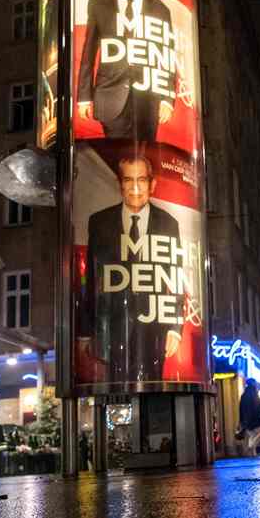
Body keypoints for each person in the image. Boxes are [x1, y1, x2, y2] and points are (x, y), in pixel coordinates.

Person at [86, 155, 183, 385]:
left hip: (154, 329)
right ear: (120, 184)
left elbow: (176, 277)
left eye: (141, 179)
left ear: (152, 184)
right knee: (113, 390)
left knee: (154, 390)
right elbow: (91, 279)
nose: (136, 188)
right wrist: (86, 330)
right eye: (129, 180)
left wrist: (175, 327)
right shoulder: (99, 222)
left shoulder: (169, 224)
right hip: (112, 328)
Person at [77, 0, 175, 141]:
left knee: (146, 157)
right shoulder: (98, 3)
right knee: (116, 159)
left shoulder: (161, 9)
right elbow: (88, 52)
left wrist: (167, 98)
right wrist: (84, 97)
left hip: (148, 99)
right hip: (110, 96)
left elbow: (167, 55)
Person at [238, 379, 260, 456]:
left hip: (246, 421)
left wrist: (241, 420)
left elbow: (240, 408)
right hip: (255, 419)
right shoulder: (254, 394)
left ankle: (253, 453)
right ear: (253, 384)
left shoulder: (243, 395)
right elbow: (258, 406)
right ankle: (251, 446)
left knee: (252, 436)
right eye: (255, 383)